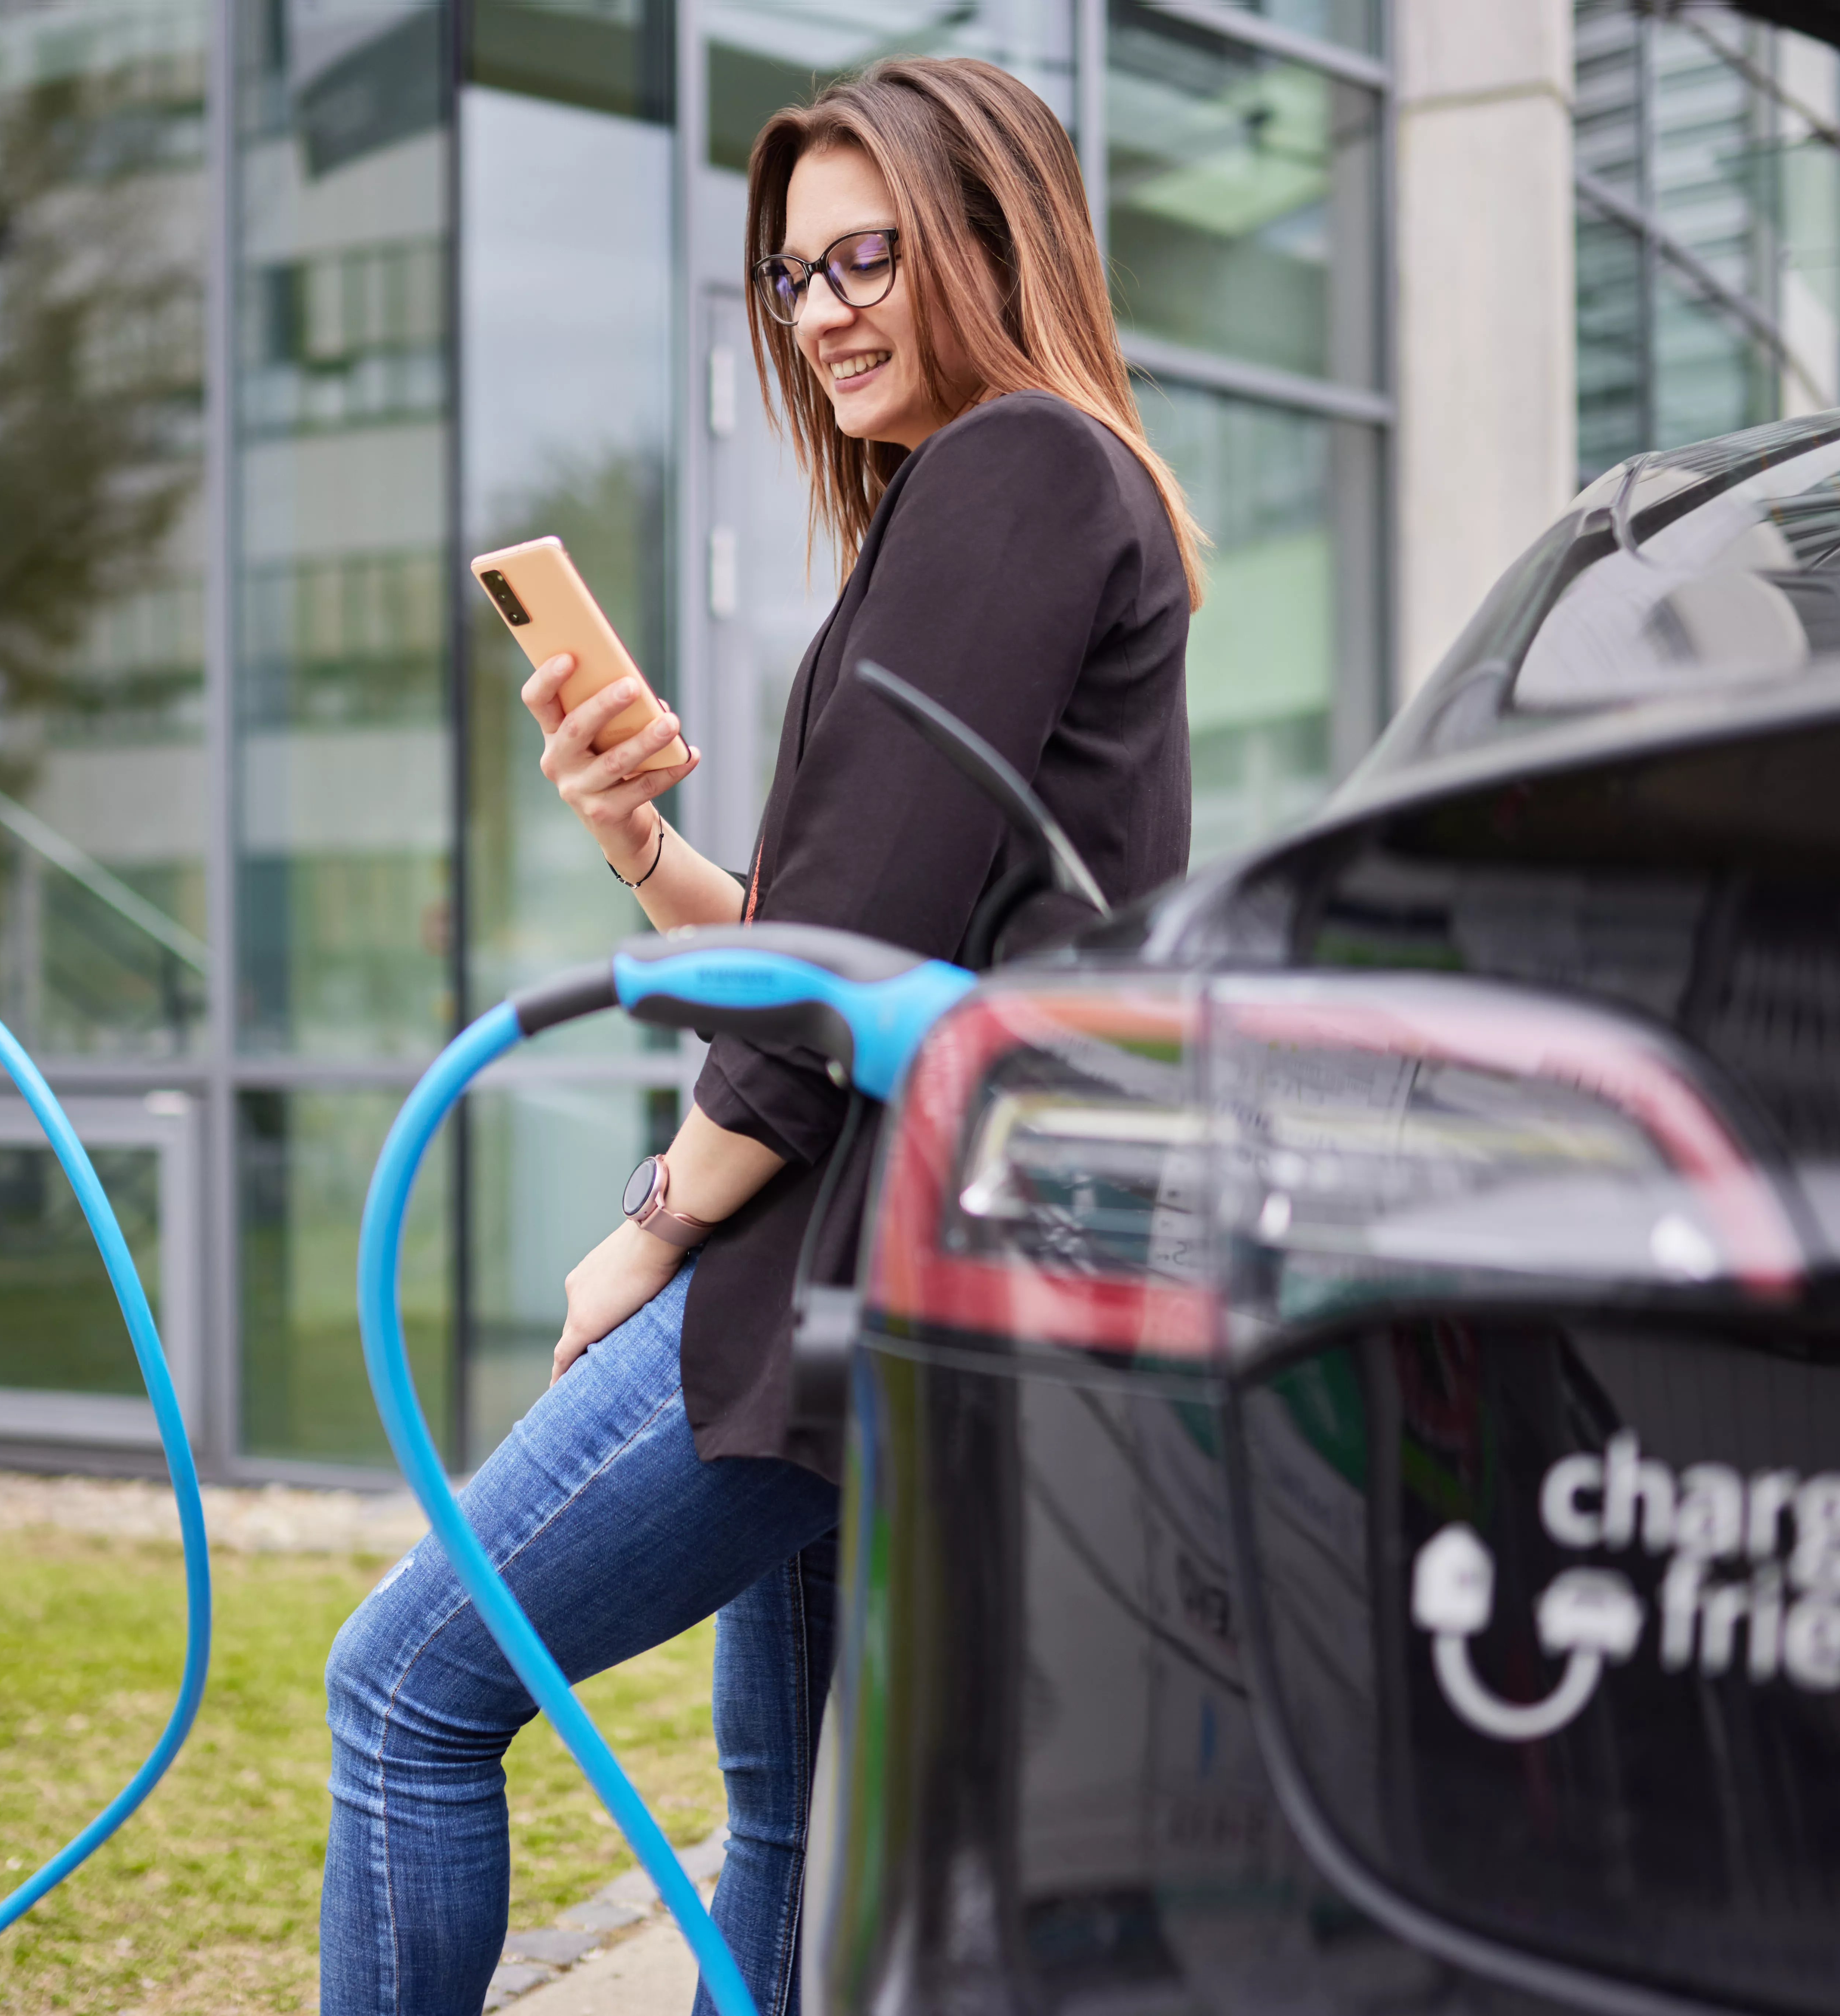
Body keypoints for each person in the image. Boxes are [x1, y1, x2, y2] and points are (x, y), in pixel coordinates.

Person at [321, 54, 1199, 2016]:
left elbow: (855, 952)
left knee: (400, 1693)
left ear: (997, 236)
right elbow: (836, 932)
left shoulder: (1021, 468)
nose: (826, 314)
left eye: (869, 255)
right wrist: (643, 848)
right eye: (794, 280)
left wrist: (657, 1220)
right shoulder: (1000, 506)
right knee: (789, 1810)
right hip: (922, 1275)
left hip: (842, 1262)